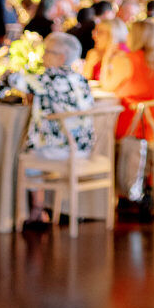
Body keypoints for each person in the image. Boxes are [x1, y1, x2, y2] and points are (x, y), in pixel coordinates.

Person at [21, 33, 95, 225]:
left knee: (26, 156)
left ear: (61, 58)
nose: (43, 57)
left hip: (62, 151)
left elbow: (12, 81)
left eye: (47, 52)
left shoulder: (47, 79)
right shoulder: (82, 80)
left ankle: (36, 209)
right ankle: (47, 209)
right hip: (84, 148)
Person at [99, 19, 154, 139]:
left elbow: (107, 86)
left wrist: (107, 59)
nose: (127, 36)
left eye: (130, 33)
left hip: (132, 128)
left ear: (135, 37)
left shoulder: (126, 60)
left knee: (100, 127)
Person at [83, 16, 127, 80]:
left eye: (100, 32)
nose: (94, 36)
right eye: (95, 31)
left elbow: (110, 83)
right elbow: (86, 79)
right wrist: (89, 65)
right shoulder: (94, 53)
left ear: (113, 35)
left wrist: (106, 58)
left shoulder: (122, 55)